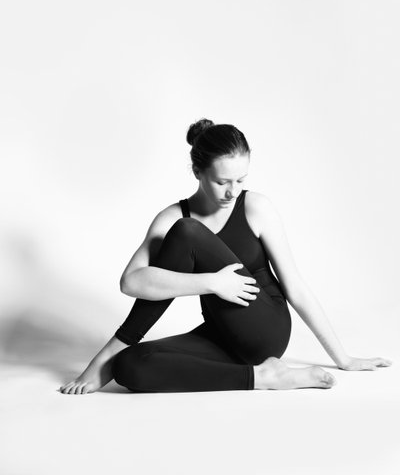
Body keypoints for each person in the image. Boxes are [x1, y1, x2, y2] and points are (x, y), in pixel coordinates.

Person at [59, 119, 391, 394]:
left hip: (265, 327)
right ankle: (262, 378)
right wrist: (212, 283)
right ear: (197, 172)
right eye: (222, 182)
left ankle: (104, 358)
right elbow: (131, 282)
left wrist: (344, 358)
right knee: (129, 366)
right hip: (221, 337)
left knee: (187, 232)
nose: (232, 192)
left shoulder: (256, 208)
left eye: (240, 180)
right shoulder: (171, 217)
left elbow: (296, 288)